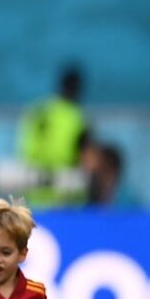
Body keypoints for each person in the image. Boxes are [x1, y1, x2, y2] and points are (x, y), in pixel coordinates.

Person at [16, 65, 90, 206]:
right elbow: (84, 154)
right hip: (65, 188)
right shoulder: (77, 117)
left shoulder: (39, 109)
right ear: (78, 89)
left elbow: (25, 145)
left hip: (33, 186)